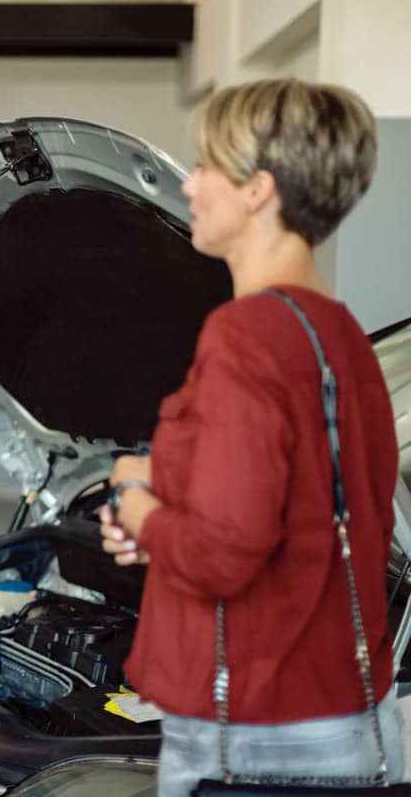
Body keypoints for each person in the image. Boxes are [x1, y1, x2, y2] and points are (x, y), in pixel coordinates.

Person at [99, 79, 403, 796]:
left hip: (255, 734)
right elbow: (304, 516)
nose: (192, 184)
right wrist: (164, 518)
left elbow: (221, 557)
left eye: (206, 165)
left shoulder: (244, 336)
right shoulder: (341, 335)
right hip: (345, 713)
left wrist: (135, 499)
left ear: (258, 190)